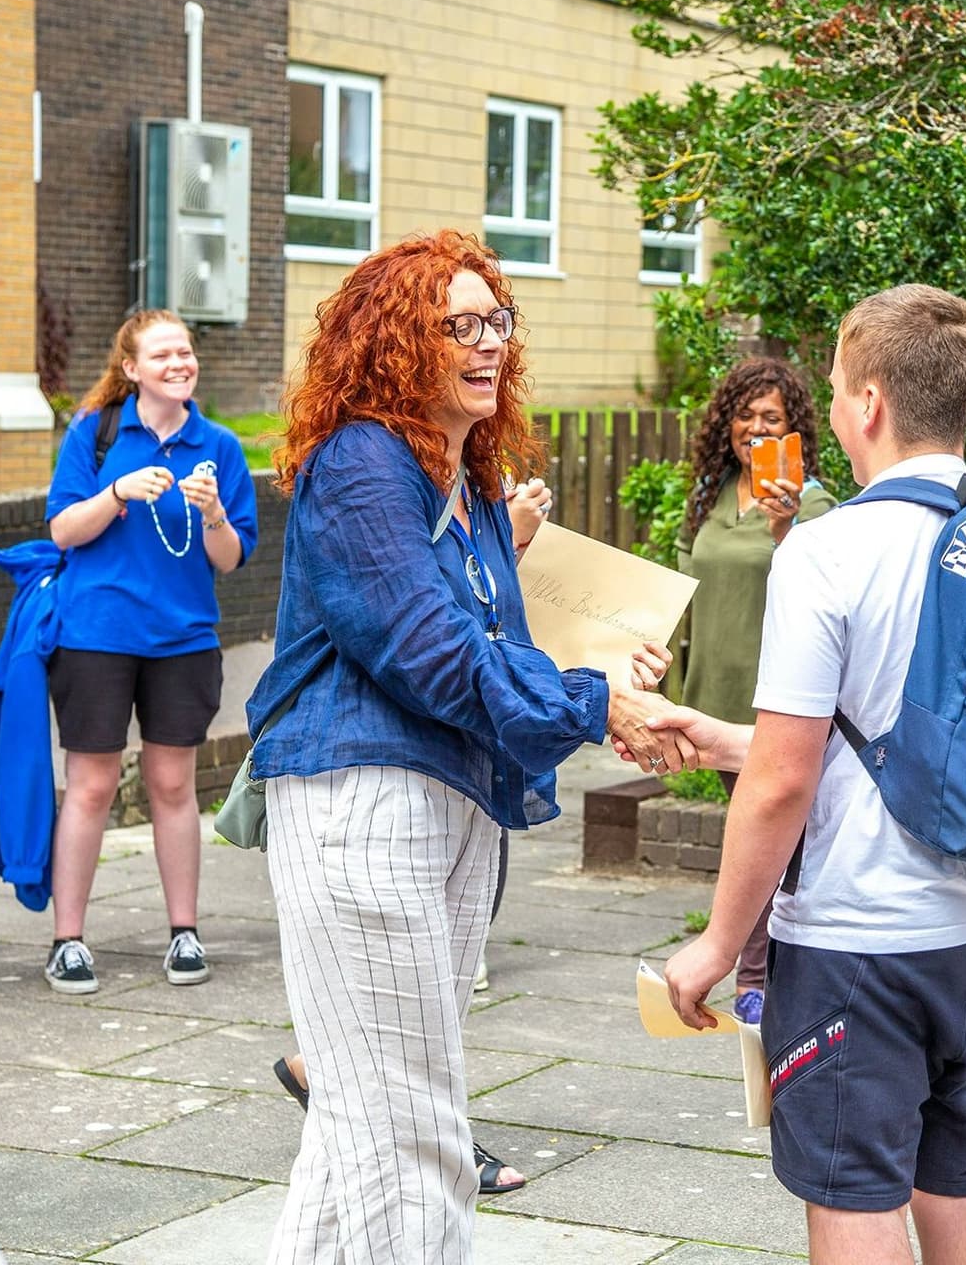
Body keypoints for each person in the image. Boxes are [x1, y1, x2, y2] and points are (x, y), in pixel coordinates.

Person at [246, 229, 680, 1263]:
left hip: (452, 803)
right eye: (461, 325)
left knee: (360, 1119)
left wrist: (602, 675)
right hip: (362, 803)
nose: (490, 343)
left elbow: (498, 641)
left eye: (498, 321)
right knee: (414, 1134)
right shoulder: (361, 463)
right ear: (396, 342)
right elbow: (430, 654)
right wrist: (596, 705)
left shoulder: (473, 478)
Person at [663, 285, 966, 1265]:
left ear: (868, 403)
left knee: (854, 1191)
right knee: (964, 1174)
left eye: (835, 386)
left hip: (862, 937)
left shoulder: (827, 552)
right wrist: (722, 737)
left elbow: (784, 780)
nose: (829, 404)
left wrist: (717, 943)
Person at [42, 310, 258, 994]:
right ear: (131, 368)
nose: (179, 363)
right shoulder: (95, 433)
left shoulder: (218, 445)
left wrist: (214, 512)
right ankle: (68, 940)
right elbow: (62, 530)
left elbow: (231, 559)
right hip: (95, 635)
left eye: (185, 352)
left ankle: (184, 933)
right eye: (162, 355)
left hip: (183, 640)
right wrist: (116, 491)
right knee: (92, 786)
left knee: (172, 785)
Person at [676, 356, 836, 1026]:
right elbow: (684, 586)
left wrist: (783, 528)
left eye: (772, 416)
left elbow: (826, 594)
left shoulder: (814, 505)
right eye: (745, 414)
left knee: (775, 841)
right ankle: (771, 973)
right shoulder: (710, 496)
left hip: (777, 706)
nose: (756, 426)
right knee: (761, 841)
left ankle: (757, 980)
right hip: (716, 696)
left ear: (794, 428)